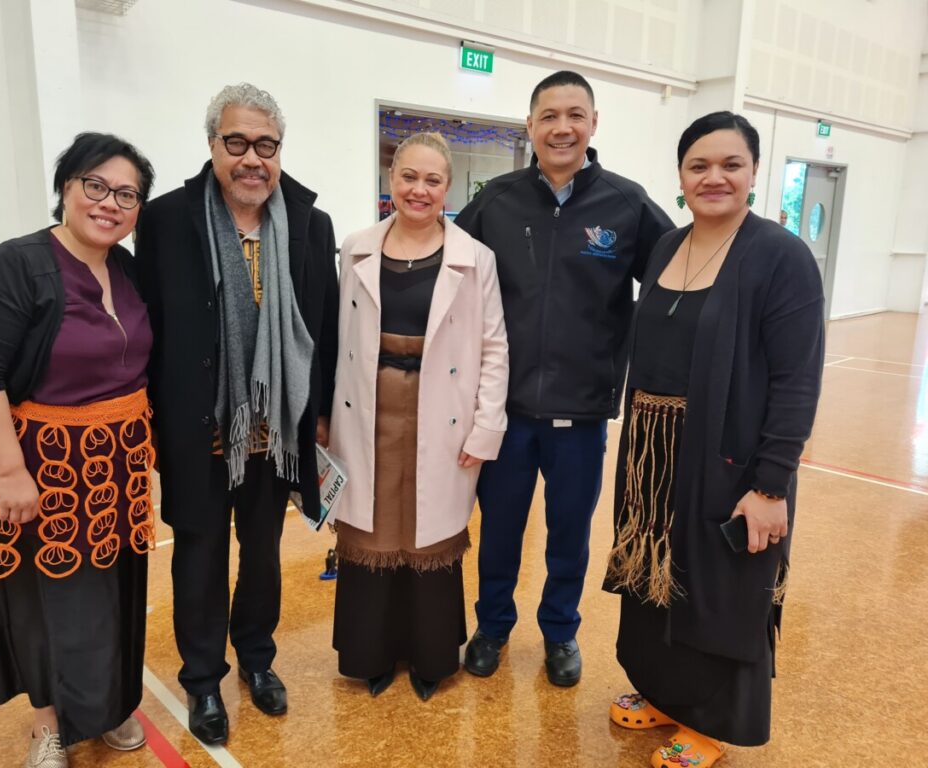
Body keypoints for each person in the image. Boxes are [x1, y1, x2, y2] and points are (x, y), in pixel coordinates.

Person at [602, 112, 824, 767]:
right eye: (699, 165)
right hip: (651, 452)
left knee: (720, 586)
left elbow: (796, 381)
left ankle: (708, 719)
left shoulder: (780, 258)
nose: (715, 177)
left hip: (728, 458)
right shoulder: (670, 246)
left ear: (754, 173)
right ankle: (662, 692)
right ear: (680, 176)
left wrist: (770, 484)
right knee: (655, 578)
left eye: (731, 164)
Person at [454, 70, 674, 686]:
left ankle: (560, 632)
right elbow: (446, 266)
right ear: (530, 126)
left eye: (575, 115)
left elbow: (678, 276)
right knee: (498, 532)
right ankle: (492, 626)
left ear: (593, 124)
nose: (562, 127)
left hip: (581, 415)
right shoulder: (496, 201)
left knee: (568, 536)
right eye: (549, 115)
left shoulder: (626, 205)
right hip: (507, 411)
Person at [135, 83, 338, 743]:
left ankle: (257, 660)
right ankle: (202, 682)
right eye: (237, 143)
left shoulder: (310, 222)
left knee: (262, 557)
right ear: (213, 146)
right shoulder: (167, 220)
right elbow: (151, 328)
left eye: (266, 145)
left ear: (280, 150)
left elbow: (324, 328)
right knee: (199, 557)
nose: (252, 159)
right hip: (200, 427)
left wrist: (322, 416)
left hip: (274, 431)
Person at [0, 132, 156, 768]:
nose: (109, 203)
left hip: (115, 467)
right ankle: (50, 724)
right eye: (95, 185)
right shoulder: (17, 264)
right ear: (66, 187)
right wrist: (9, 471)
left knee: (115, 589)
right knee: (44, 598)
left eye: (126, 194)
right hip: (40, 465)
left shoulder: (127, 269)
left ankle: (108, 705)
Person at [329, 132, 508, 701]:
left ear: (447, 188)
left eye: (432, 180)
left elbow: (494, 347)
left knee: (428, 530)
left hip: (443, 411)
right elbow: (337, 343)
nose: (419, 189)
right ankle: (371, 655)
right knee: (376, 527)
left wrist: (486, 427)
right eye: (409, 176)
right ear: (391, 179)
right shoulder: (356, 247)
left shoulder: (475, 258)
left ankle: (431, 657)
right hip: (367, 408)